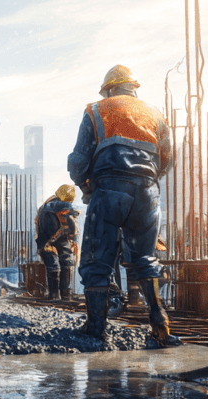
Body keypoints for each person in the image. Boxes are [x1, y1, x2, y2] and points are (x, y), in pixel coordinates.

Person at [67, 64, 177, 346]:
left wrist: (85, 185)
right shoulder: (155, 114)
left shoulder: (97, 110)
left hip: (109, 190)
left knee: (97, 259)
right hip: (147, 193)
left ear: (110, 89)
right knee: (146, 259)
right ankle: (160, 325)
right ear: (133, 89)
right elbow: (167, 158)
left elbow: (79, 160)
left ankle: (96, 327)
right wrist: (148, 179)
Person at [35, 184, 79, 301]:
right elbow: (71, 220)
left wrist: (72, 238)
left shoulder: (49, 206)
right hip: (47, 240)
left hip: (56, 238)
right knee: (55, 265)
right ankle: (59, 295)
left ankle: (60, 295)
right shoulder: (55, 206)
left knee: (63, 263)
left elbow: (70, 223)